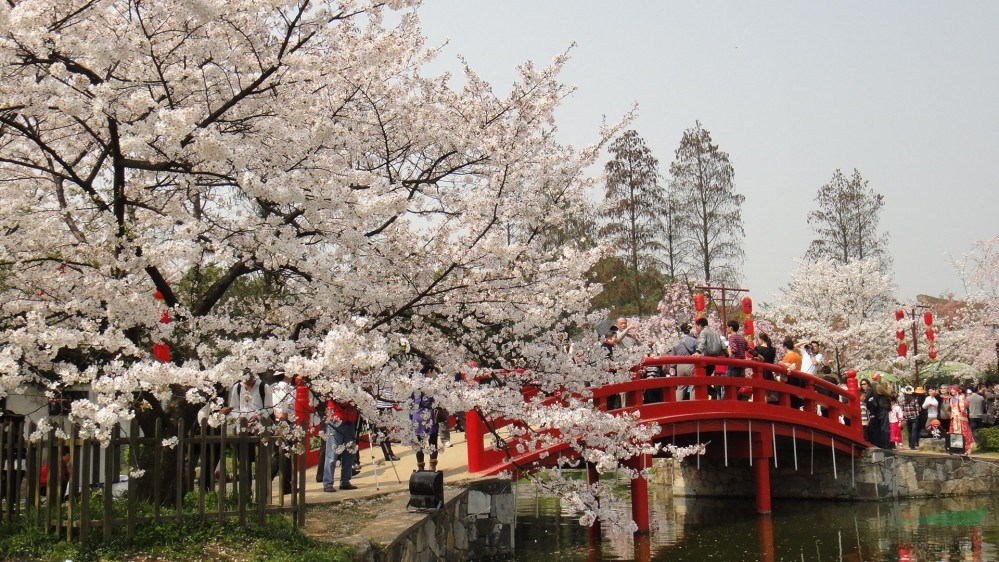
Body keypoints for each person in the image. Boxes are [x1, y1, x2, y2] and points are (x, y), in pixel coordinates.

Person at [323, 396, 359, 492]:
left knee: (349, 453)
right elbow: (339, 399)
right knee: (332, 454)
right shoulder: (334, 384)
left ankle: (345, 481)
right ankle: (328, 483)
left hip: (350, 419)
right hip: (335, 419)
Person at [412, 363, 440, 472]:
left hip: (417, 415)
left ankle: (420, 467)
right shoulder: (432, 384)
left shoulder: (413, 383)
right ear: (429, 371)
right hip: (429, 414)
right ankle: (433, 466)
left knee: (420, 442)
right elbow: (437, 400)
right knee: (433, 441)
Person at [671, 323, 698, 400]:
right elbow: (699, 353)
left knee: (680, 387)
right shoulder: (694, 341)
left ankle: (677, 406)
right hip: (690, 365)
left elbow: (672, 355)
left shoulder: (676, 341)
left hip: (679, 365)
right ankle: (693, 406)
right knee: (693, 386)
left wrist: (672, 367)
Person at [948, 385, 973, 455]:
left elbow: (963, 408)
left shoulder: (962, 397)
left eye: (953, 390)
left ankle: (965, 448)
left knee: (963, 433)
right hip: (954, 418)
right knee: (954, 433)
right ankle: (955, 448)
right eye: (951, 390)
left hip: (961, 418)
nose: (952, 391)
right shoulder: (952, 398)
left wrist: (959, 400)